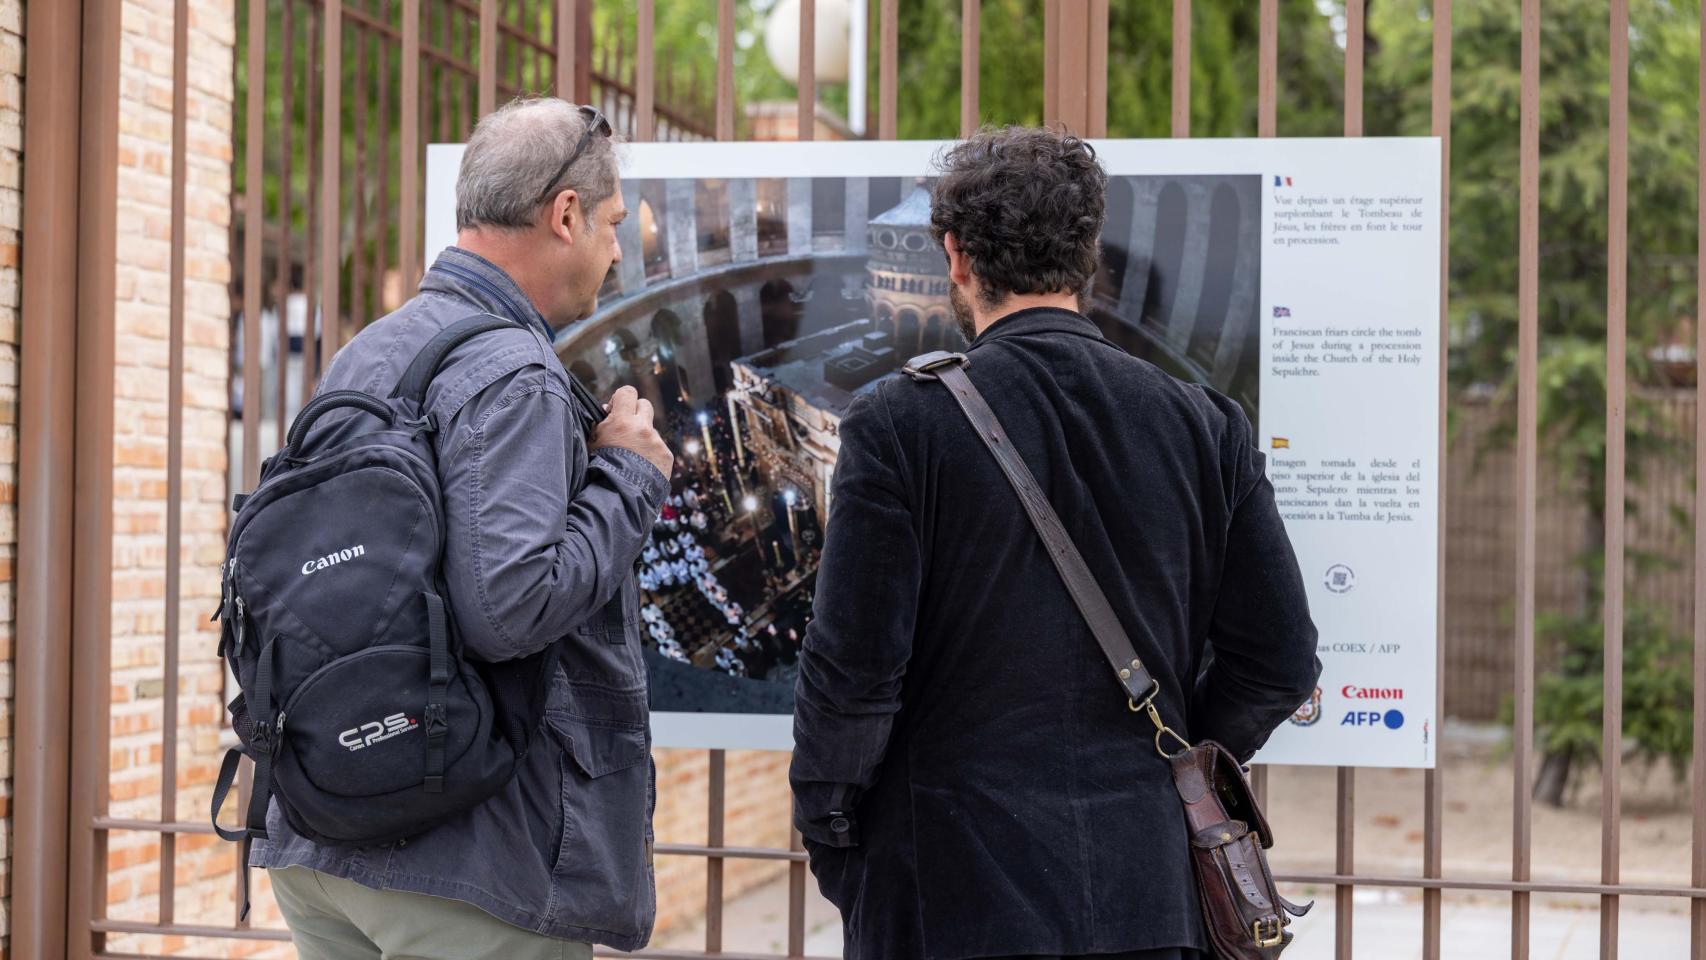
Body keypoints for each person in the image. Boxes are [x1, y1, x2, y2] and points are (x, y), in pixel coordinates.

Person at [789, 126, 1321, 960]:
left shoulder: (900, 423)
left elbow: (853, 674)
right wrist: (1164, 763)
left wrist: (831, 826)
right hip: (1148, 894)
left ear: (956, 258)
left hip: (948, 890)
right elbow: (1281, 660)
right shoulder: (1204, 423)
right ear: (1088, 256)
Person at [254, 97, 673, 960]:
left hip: (327, 832)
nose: (616, 248)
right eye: (611, 223)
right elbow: (509, 607)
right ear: (564, 215)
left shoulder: (370, 352)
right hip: (469, 862)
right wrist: (629, 473)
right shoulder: (511, 371)